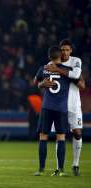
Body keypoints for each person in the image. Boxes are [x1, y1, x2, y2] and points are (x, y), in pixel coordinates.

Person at [44, 39, 85, 176]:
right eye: (62, 50)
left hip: (74, 104)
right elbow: (43, 80)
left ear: (71, 51)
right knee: (59, 136)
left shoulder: (75, 61)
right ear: (59, 50)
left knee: (77, 133)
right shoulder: (52, 63)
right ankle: (58, 168)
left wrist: (58, 70)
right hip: (58, 105)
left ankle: (75, 164)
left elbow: (79, 78)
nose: (65, 52)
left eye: (67, 50)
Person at [33, 46, 73, 176]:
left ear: (49, 56)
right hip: (61, 108)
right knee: (61, 137)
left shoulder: (44, 69)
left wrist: (41, 84)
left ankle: (41, 169)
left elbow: (35, 82)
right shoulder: (67, 70)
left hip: (47, 107)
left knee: (43, 136)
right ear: (61, 56)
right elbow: (78, 80)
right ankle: (61, 170)